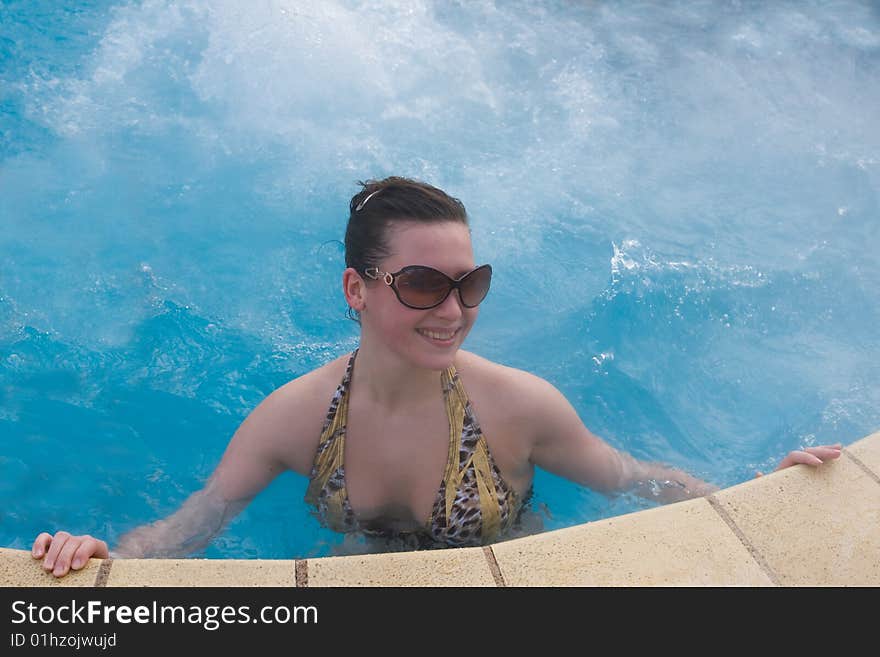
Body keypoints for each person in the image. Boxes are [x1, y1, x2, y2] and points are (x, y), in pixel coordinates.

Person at [32, 176, 843, 577]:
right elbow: (190, 526)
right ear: (357, 290)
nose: (453, 310)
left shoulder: (516, 406)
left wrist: (749, 496)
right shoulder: (295, 418)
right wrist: (101, 557)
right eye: (423, 283)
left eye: (471, 283)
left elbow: (633, 477)